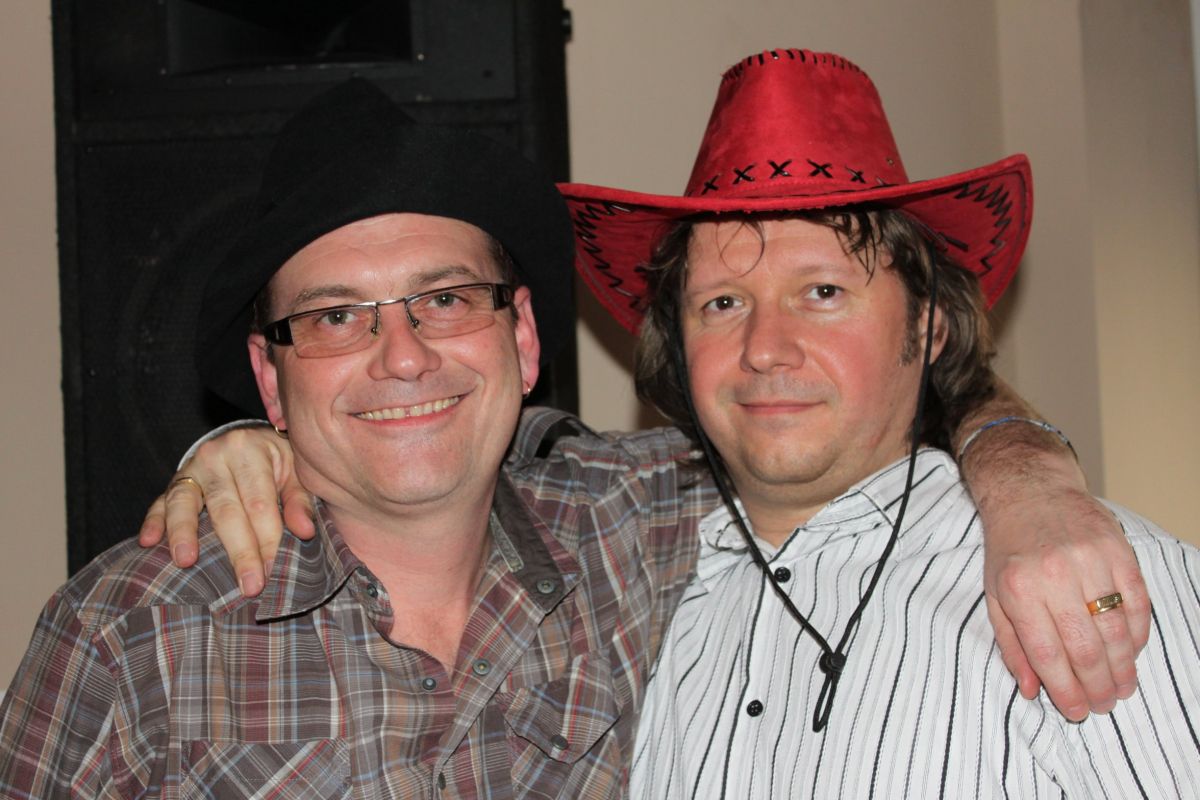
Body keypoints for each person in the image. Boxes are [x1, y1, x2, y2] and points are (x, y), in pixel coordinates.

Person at [86, 54, 1136, 792]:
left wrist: (1028, 474)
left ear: (523, 340)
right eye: (334, 318)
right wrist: (223, 445)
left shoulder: (640, 520)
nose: (401, 355)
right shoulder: (132, 630)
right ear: (270, 379)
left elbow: (865, 413)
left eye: (445, 298)